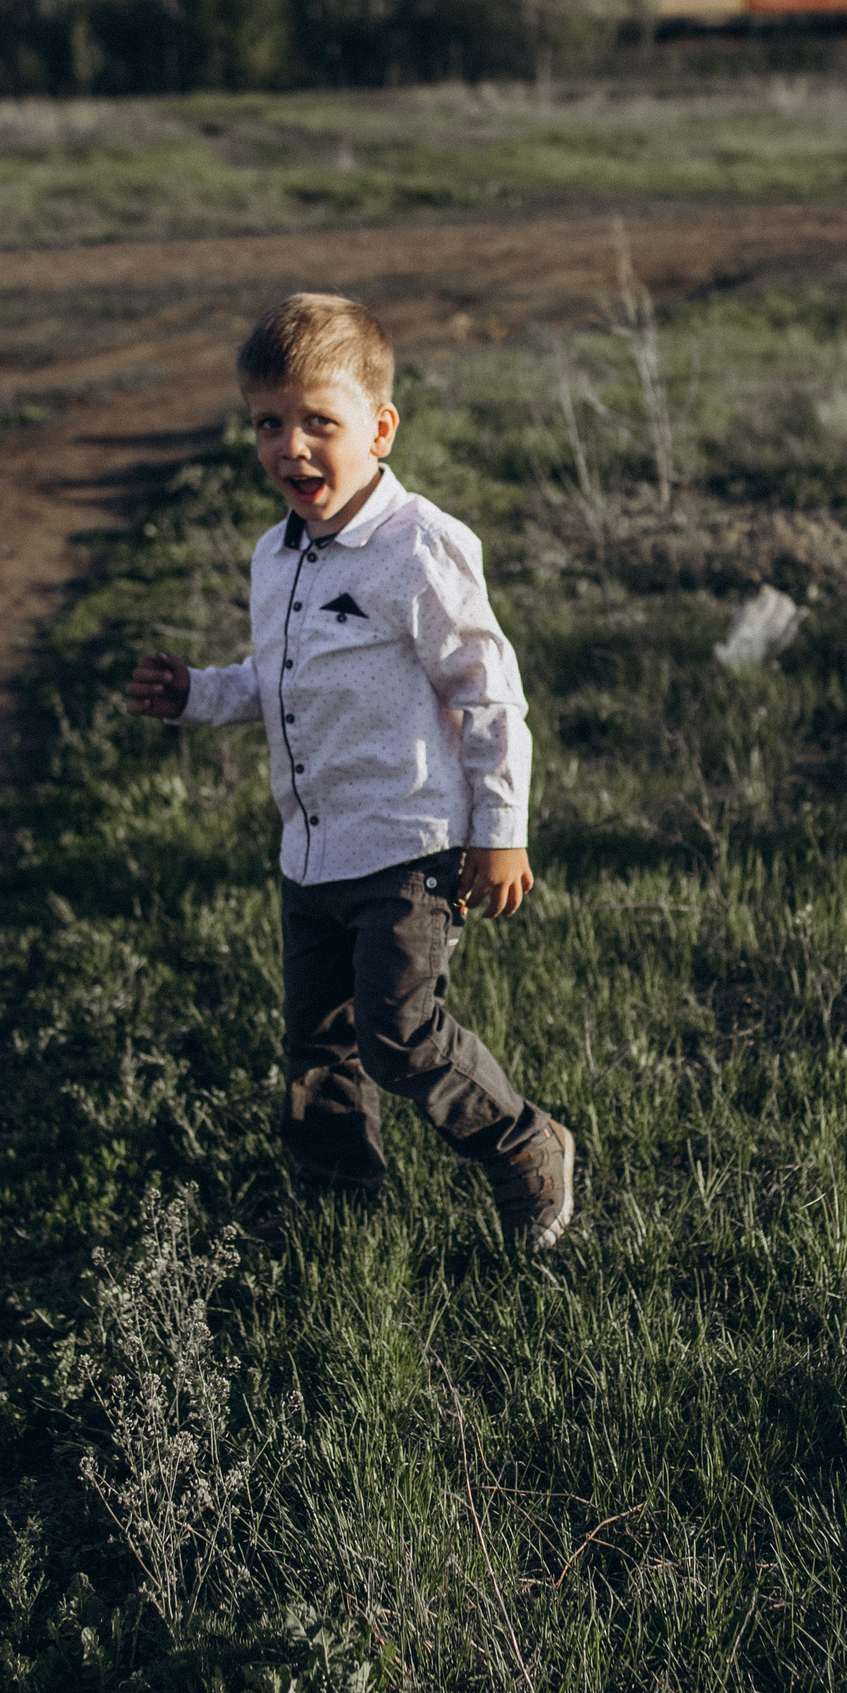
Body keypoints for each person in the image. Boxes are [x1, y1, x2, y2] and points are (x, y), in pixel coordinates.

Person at [126, 292, 575, 1248]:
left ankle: (524, 1144)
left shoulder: (418, 548)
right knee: (318, 1048)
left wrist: (501, 832)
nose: (290, 448)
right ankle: (337, 1210)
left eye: (317, 423)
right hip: (312, 850)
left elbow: (491, 695)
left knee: (400, 1034)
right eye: (267, 423)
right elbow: (277, 677)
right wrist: (197, 694)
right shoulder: (276, 554)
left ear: (379, 428)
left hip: (408, 846)